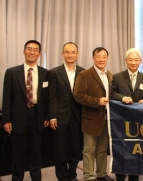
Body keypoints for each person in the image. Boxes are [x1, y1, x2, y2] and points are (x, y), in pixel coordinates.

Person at [2, 40, 50, 181]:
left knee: (36, 155)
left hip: (38, 117)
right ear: (24, 51)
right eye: (29, 49)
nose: (32, 52)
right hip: (18, 118)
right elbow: (7, 98)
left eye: (35, 50)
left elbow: (47, 98)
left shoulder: (46, 73)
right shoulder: (12, 72)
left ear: (39, 54)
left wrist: (47, 116)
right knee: (18, 155)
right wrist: (7, 120)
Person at [111, 48, 143, 181]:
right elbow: (112, 94)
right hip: (121, 120)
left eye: (136, 60)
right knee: (121, 149)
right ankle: (120, 176)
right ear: (126, 61)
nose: (133, 62)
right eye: (130, 60)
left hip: (139, 121)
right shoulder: (117, 77)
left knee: (136, 149)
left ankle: (134, 176)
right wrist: (122, 98)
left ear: (140, 61)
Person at [73, 47, 114, 181]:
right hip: (91, 118)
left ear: (107, 58)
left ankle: (101, 174)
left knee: (102, 149)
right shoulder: (84, 75)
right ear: (93, 58)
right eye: (98, 56)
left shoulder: (110, 75)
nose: (101, 59)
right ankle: (89, 176)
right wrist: (97, 101)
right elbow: (78, 95)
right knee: (89, 150)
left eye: (104, 57)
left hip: (106, 118)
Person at [49, 42, 85, 181]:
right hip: (60, 117)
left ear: (77, 54)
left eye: (73, 52)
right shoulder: (54, 72)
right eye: (67, 52)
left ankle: (72, 175)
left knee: (76, 150)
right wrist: (52, 116)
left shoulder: (83, 72)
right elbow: (51, 96)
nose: (70, 55)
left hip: (77, 117)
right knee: (60, 150)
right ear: (62, 54)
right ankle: (62, 177)